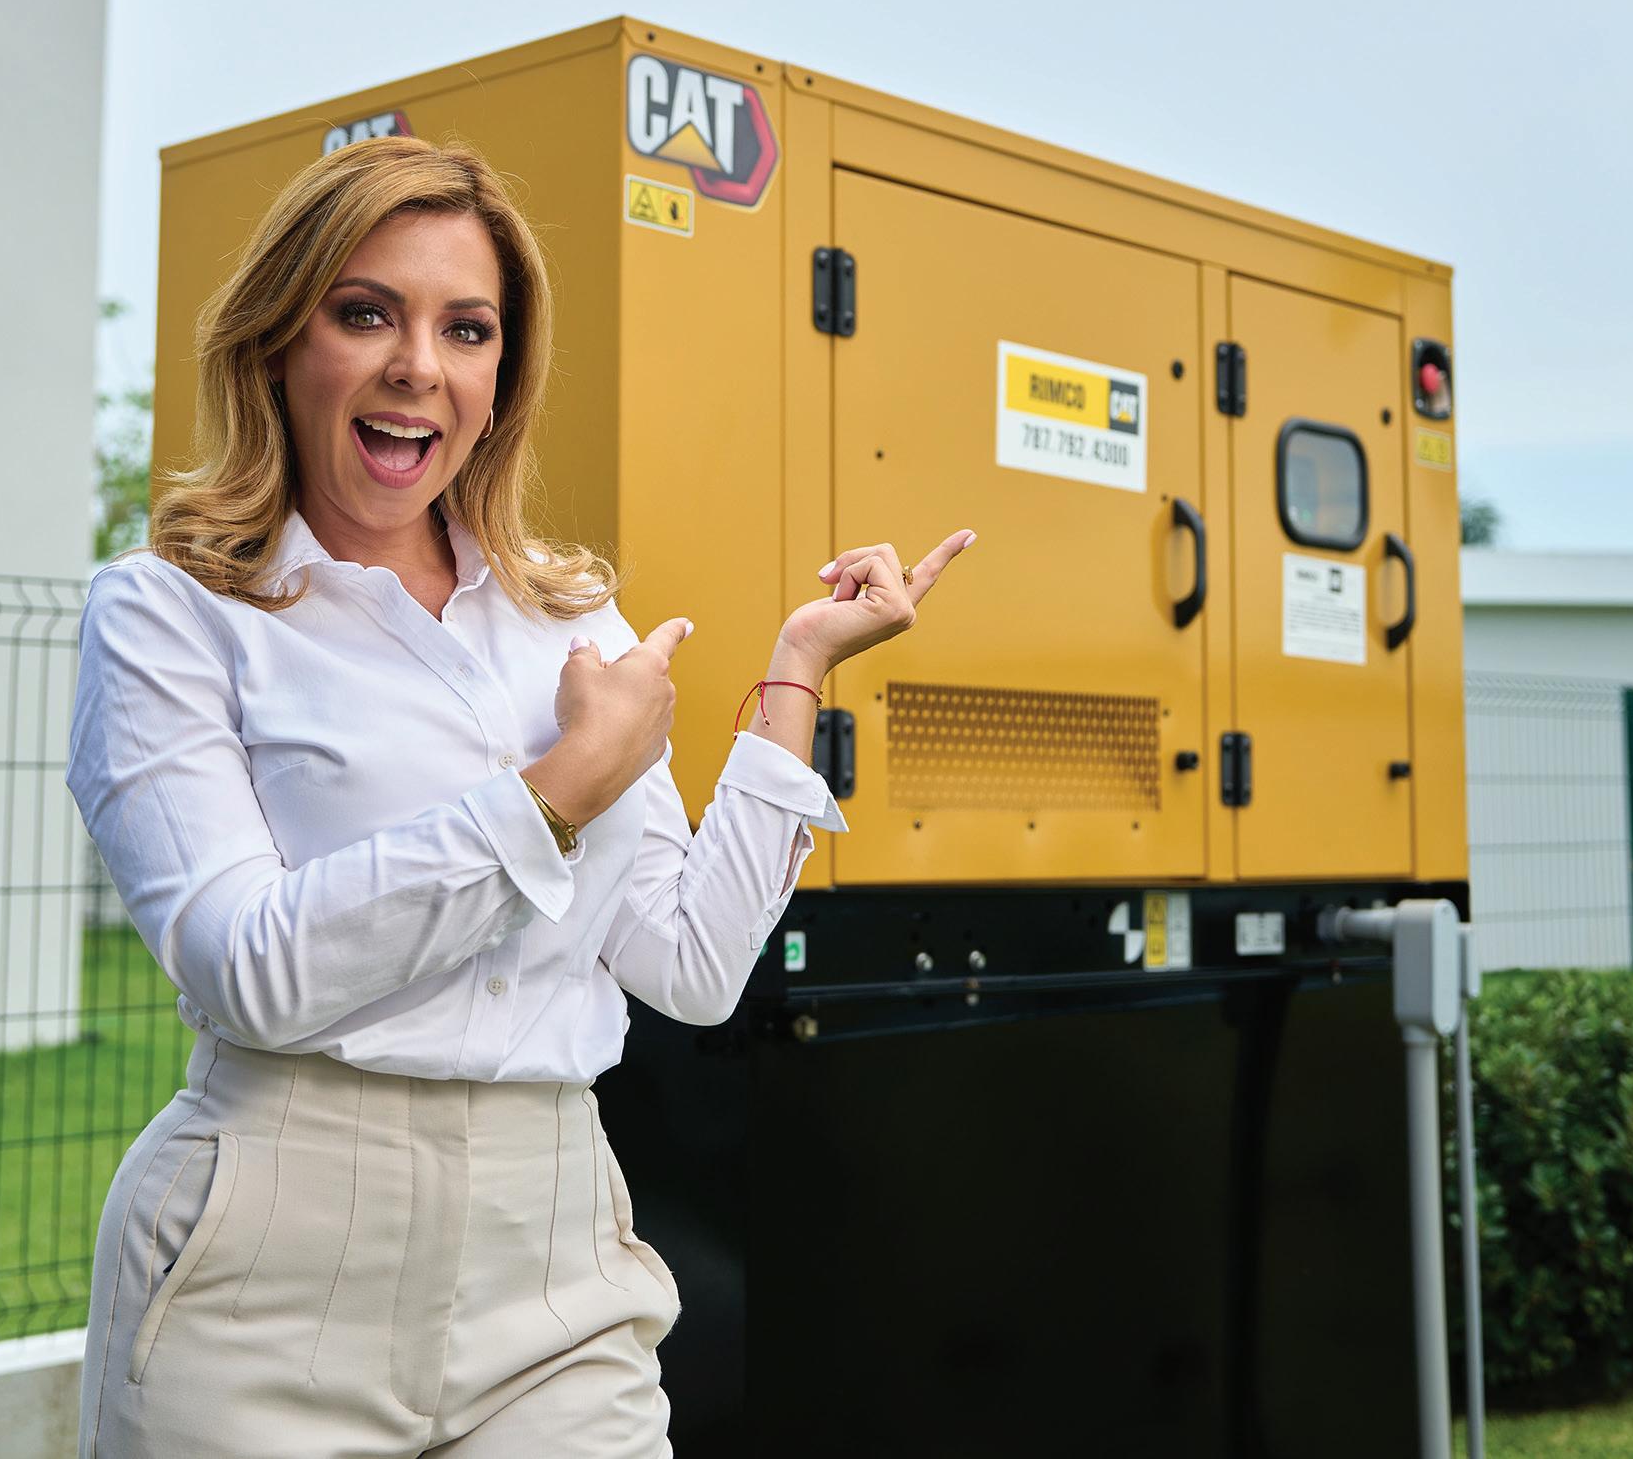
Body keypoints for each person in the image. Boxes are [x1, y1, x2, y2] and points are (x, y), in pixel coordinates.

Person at [68, 131, 975, 1458]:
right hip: (267, 1266)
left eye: (466, 329)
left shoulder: (569, 615)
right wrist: (554, 793)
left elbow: (691, 966)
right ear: (277, 340)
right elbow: (247, 969)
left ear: (502, 377)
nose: (417, 366)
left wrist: (798, 670)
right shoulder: (171, 610)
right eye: (364, 312)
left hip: (552, 1253)